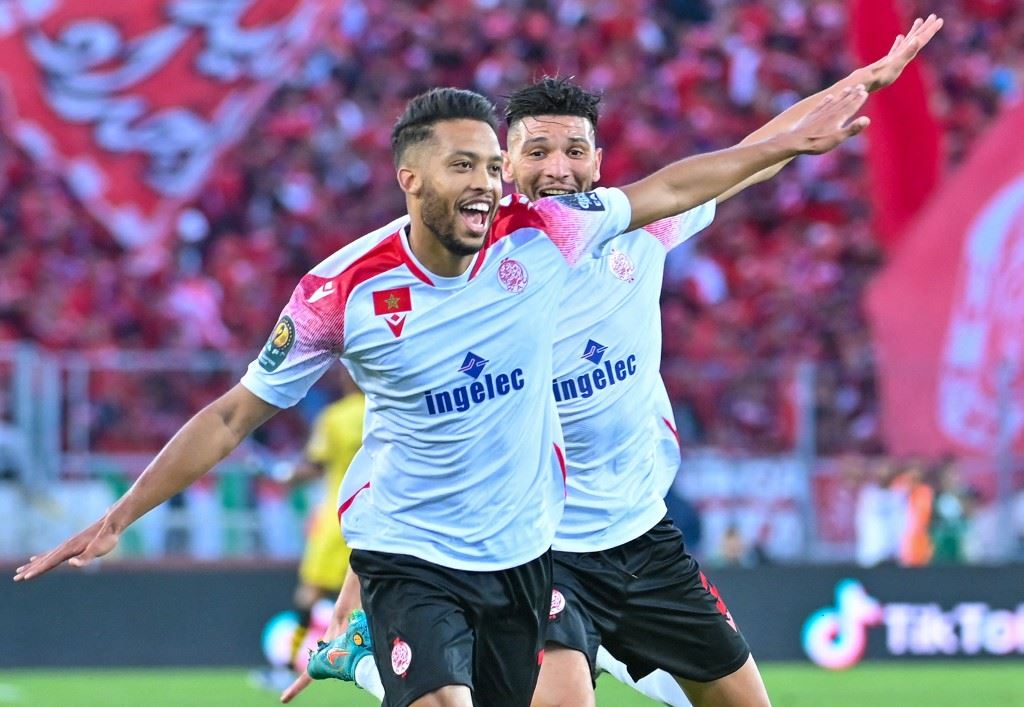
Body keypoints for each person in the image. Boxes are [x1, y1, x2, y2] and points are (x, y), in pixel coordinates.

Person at [16, 82, 871, 707]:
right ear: (411, 178)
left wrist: (806, 132)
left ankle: (359, 655)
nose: (491, 183)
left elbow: (691, 182)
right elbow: (237, 413)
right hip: (423, 555)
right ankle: (367, 646)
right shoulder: (340, 292)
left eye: (492, 167)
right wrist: (120, 516)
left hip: (535, 550)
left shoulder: (550, 234)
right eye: (469, 165)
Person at [292, 14, 943, 707]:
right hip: (541, 555)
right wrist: (360, 594)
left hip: (643, 538)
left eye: (574, 150)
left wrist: (861, 82)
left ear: (599, 162)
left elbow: (756, 153)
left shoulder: (640, 225)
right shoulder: (468, 274)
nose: (558, 167)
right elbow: (407, 441)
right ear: (505, 165)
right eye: (537, 151)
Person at [256, 366, 364, 690]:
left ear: (350, 377)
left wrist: (284, 475)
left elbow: (315, 466)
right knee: (373, 597)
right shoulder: (389, 410)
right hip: (375, 518)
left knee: (310, 593)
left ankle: (288, 667)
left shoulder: (334, 417)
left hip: (336, 518)